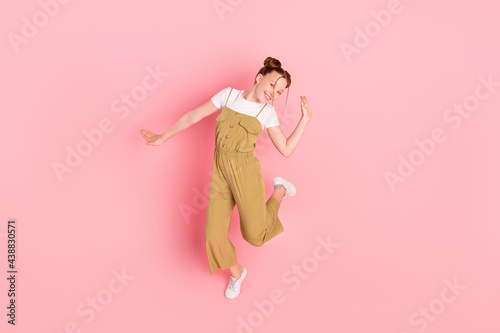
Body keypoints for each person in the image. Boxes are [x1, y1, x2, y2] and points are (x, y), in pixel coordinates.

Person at [139, 56, 312, 299]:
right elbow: (193, 116)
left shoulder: (267, 113)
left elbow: (285, 149)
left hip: (245, 172)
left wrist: (305, 120)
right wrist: (162, 137)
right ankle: (237, 273)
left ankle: (280, 190)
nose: (274, 93)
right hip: (221, 170)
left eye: (280, 92)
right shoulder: (228, 96)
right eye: (273, 85)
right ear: (259, 78)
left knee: (255, 236)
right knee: (213, 236)